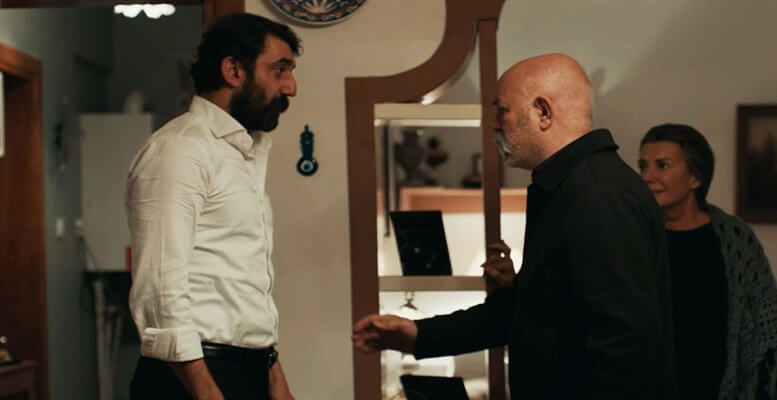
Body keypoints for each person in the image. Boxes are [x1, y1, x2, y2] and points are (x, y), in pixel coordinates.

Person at [352, 54, 678, 400]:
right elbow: (528, 313)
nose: (493, 125)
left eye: (502, 111)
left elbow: (626, 350)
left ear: (543, 112)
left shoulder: (596, 195)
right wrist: (418, 335)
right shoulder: (566, 187)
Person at [126, 13, 300, 400]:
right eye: (279, 70)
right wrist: (207, 393)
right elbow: (160, 289)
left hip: (245, 371)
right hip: (189, 379)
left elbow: (238, 286)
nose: (291, 87)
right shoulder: (180, 149)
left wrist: (274, 376)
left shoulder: (241, 153)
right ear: (232, 70)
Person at [638, 124, 777, 400]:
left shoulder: (735, 238)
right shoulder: (634, 236)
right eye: (643, 166)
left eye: (662, 165)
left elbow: (765, 323)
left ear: (695, 177)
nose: (647, 176)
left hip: (719, 386)